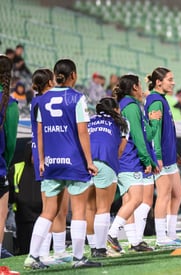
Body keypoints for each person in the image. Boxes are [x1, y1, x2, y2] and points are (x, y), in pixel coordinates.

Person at [24, 59, 101, 269]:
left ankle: (32, 257)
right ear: (73, 75)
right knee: (78, 210)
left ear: (55, 75)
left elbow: (38, 132)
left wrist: (41, 159)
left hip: (51, 162)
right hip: (74, 162)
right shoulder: (76, 98)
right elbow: (83, 132)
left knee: (47, 211)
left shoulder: (41, 99)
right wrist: (89, 161)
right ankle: (78, 258)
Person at [107, 74, 160, 253]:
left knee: (130, 200)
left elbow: (146, 135)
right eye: (139, 85)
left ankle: (135, 241)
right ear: (135, 87)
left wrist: (153, 123)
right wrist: (148, 160)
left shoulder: (125, 105)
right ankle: (112, 233)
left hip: (125, 158)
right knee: (138, 199)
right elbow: (138, 137)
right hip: (130, 158)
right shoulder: (131, 107)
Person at [30, 68, 71, 265]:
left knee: (59, 208)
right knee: (51, 208)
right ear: (48, 82)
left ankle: (59, 251)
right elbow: (41, 133)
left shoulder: (38, 101)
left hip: (47, 157)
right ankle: (42, 254)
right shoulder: (43, 102)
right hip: (50, 158)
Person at [144, 68, 181, 245]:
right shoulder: (155, 101)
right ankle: (161, 237)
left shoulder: (162, 100)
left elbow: (166, 132)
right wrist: (157, 156)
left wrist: (174, 153)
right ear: (159, 82)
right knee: (164, 194)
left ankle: (172, 233)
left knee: (178, 192)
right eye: (170, 79)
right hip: (161, 158)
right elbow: (154, 133)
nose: (173, 82)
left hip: (169, 156)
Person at [85, 97, 128, 258]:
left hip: (86, 163)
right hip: (105, 161)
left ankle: (93, 246)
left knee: (89, 208)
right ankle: (101, 249)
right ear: (116, 109)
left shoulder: (89, 120)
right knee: (103, 207)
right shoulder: (121, 123)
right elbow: (120, 150)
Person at [8, 142, 41, 255]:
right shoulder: (16, 168)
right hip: (23, 217)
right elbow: (10, 192)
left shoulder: (45, 168)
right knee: (25, 249)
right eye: (34, 154)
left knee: (43, 248)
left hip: (42, 217)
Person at [0, 55, 19, 259]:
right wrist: (7, 160)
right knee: (1, 212)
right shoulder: (9, 103)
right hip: (0, 166)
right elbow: (12, 142)